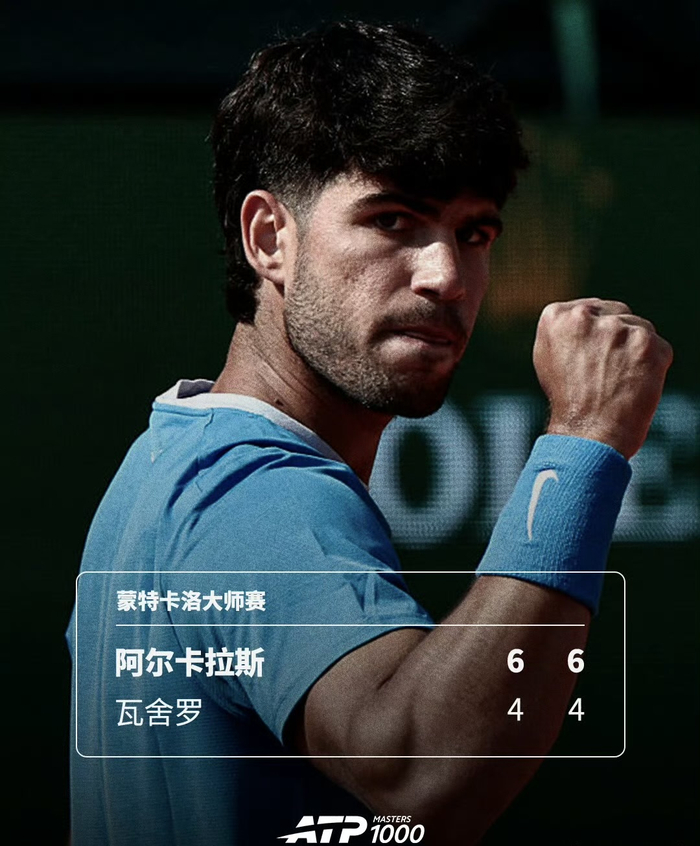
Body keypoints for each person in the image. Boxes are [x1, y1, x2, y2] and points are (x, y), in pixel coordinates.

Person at [66, 20, 672, 846]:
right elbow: (421, 772)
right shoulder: (251, 495)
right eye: (392, 221)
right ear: (268, 238)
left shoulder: (175, 461)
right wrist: (588, 437)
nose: (447, 276)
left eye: (473, 232)